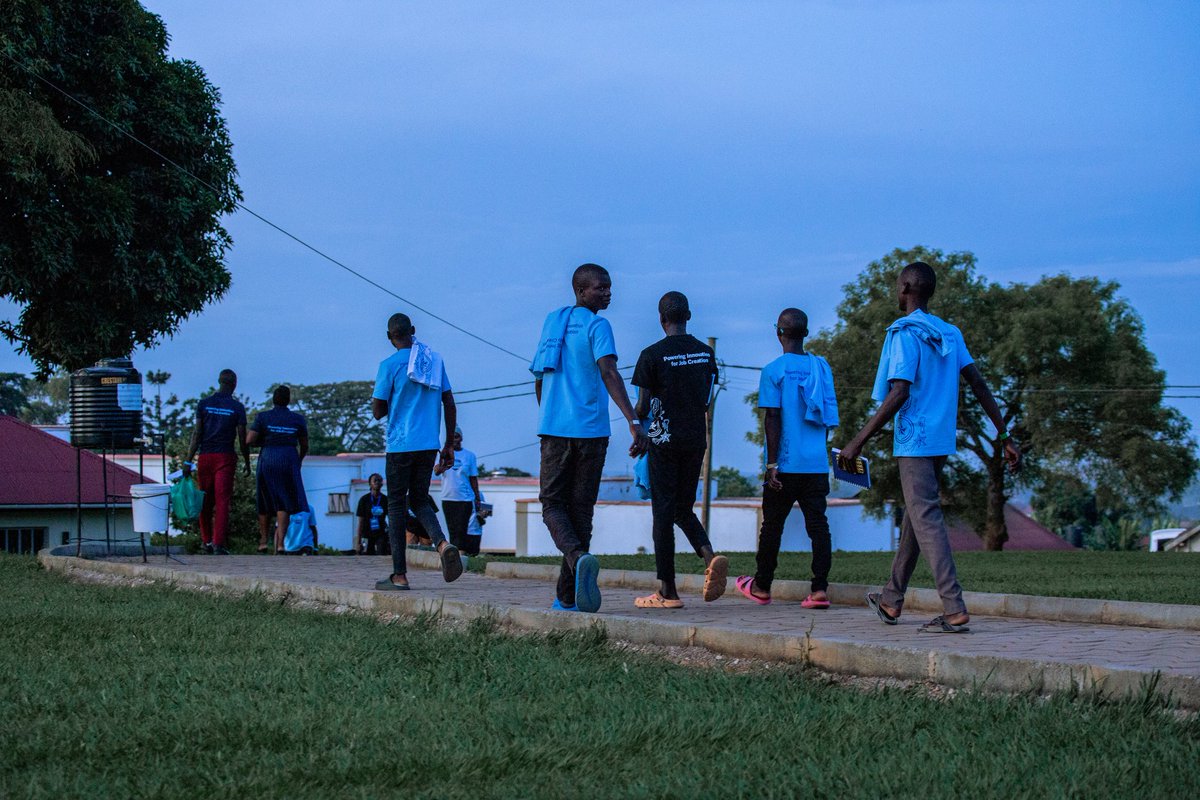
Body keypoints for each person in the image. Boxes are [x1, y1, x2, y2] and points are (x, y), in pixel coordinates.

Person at [838, 261, 1021, 633]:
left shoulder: (904, 334)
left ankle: (954, 606)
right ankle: (891, 600)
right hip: (940, 440)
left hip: (915, 440)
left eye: (896, 285)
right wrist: (1004, 435)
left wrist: (857, 441)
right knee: (915, 518)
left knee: (926, 517)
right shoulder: (949, 333)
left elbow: (899, 392)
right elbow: (980, 384)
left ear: (905, 287)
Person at [531, 263, 648, 613]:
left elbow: (540, 376)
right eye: (601, 288)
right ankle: (571, 581)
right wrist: (634, 420)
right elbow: (609, 371)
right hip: (592, 432)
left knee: (553, 505)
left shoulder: (553, 323)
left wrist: (549, 411)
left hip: (555, 430)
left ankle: (570, 585)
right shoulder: (599, 326)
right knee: (579, 510)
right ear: (582, 291)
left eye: (610, 287)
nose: (608, 293)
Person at [736, 308, 839, 609]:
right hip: (816, 464)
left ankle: (762, 586)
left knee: (772, 526)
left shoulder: (773, 370)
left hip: (785, 464)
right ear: (806, 334)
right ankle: (819, 590)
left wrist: (771, 465)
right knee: (819, 526)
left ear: (777, 332)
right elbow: (826, 416)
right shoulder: (822, 367)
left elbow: (773, 418)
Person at [630, 291, 727, 609]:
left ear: (661, 319)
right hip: (696, 439)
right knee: (682, 508)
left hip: (664, 441)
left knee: (662, 514)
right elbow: (705, 398)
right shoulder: (705, 354)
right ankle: (709, 556)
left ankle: (667, 591)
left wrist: (638, 433)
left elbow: (643, 406)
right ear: (689, 316)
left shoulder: (651, 355)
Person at [371, 312, 462, 590]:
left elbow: (377, 411)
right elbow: (449, 402)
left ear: (389, 337)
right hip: (428, 446)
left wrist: (396, 400)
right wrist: (448, 444)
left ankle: (399, 575)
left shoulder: (389, 365)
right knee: (420, 500)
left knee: (396, 505)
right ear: (413, 330)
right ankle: (442, 543)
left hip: (400, 446)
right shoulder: (434, 361)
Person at [183, 369, 250, 555]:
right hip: (225, 457)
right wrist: (246, 460)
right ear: (234, 384)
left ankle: (206, 542)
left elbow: (197, 434)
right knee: (222, 501)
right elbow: (242, 438)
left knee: (204, 500)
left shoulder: (204, 404)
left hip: (205, 456)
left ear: (218, 382)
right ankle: (218, 543)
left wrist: (188, 461)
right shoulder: (237, 408)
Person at [247, 385, 309, 555]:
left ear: (273, 399)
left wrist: (265, 442)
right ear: (288, 400)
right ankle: (280, 544)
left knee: (264, 500)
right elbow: (304, 445)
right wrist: (298, 461)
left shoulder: (263, 417)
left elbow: (249, 439)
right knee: (284, 502)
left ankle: (263, 542)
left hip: (268, 457)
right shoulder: (297, 419)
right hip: (288, 458)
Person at [439, 427, 483, 555]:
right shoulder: (443, 454)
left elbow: (473, 478)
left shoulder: (470, 456)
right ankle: (453, 557)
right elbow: (437, 471)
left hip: (464, 499)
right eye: (452, 437)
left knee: (461, 529)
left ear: (461, 438)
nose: (455, 440)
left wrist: (477, 498)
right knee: (452, 530)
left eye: (457, 436)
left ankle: (461, 556)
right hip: (448, 498)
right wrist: (443, 464)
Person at [355, 473, 390, 555]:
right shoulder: (364, 500)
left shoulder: (385, 500)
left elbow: (391, 519)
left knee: (382, 555)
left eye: (379, 480)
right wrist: (358, 542)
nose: (377, 482)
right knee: (366, 556)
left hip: (381, 533)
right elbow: (360, 522)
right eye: (375, 480)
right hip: (366, 533)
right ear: (370, 483)